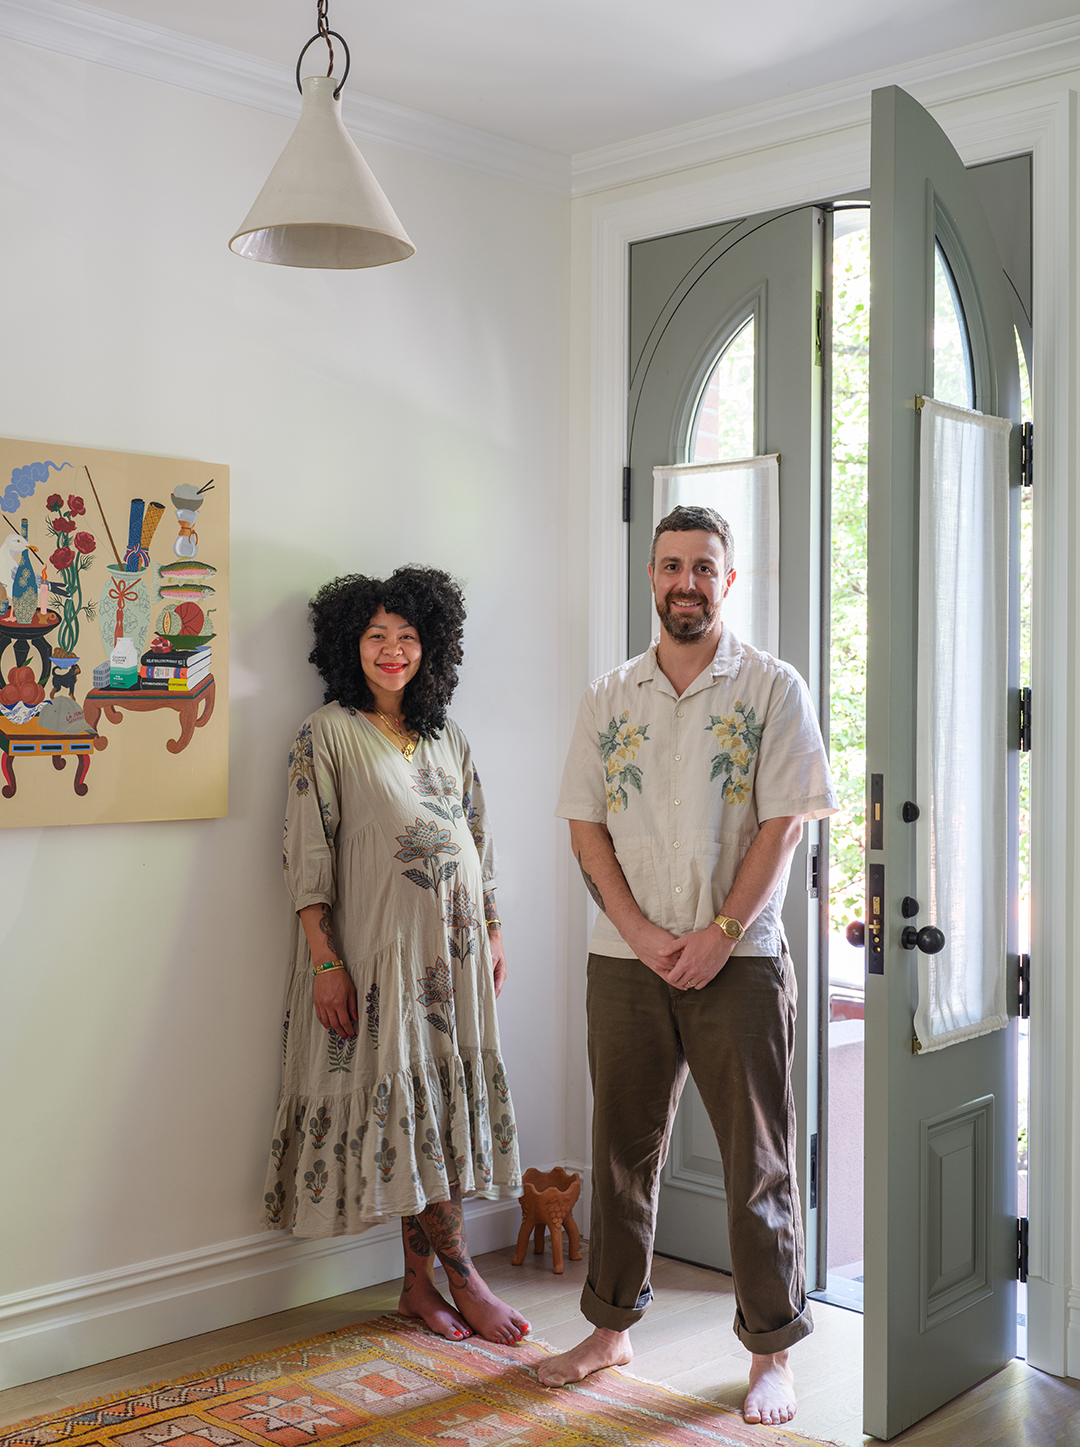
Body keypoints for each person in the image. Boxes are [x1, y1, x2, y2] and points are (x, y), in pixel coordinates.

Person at [544, 505, 837, 1424]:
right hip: (624, 961)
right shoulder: (608, 696)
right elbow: (586, 824)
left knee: (759, 1161)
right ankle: (609, 1329)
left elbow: (784, 823)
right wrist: (637, 930)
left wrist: (718, 931)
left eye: (704, 566)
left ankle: (771, 1352)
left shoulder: (773, 688)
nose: (686, 581)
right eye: (671, 565)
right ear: (651, 575)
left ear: (727, 579)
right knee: (620, 1153)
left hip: (739, 959)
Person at [263, 566, 529, 1346]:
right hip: (381, 960)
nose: (393, 649)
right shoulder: (327, 732)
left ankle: (416, 1286)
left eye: (408, 635)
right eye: (377, 634)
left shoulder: (448, 735)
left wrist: (493, 927)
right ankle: (465, 1277)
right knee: (410, 1109)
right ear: (350, 644)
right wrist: (325, 961)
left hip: (455, 957)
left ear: (430, 645)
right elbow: (306, 854)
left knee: (432, 1113)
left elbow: (478, 836)